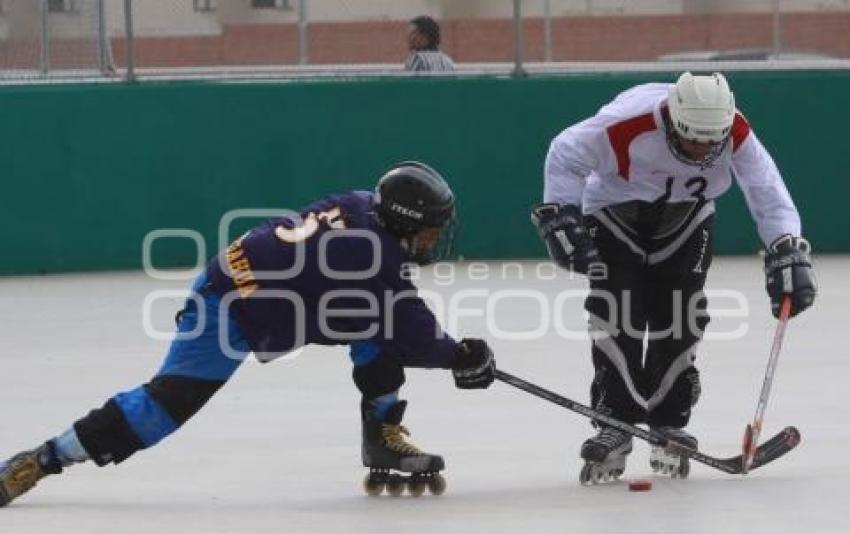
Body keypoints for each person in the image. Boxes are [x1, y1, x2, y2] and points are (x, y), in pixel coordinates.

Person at [0, 162, 497, 505]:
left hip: (279, 296)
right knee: (164, 407)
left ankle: (381, 436)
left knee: (375, 329)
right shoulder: (374, 255)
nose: (435, 238)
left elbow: (394, 317)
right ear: (405, 222)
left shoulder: (362, 204)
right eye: (431, 229)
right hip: (230, 305)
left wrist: (447, 352)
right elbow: (416, 334)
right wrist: (463, 357)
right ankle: (44, 458)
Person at [532, 72, 816, 484]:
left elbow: (763, 183)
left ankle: (668, 420)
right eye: (691, 139)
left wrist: (786, 245)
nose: (702, 150)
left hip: (688, 218)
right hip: (614, 215)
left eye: (710, 142)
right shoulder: (628, 121)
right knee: (617, 314)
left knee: (683, 317)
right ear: (671, 120)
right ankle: (615, 420)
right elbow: (565, 152)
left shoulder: (733, 126)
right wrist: (560, 213)